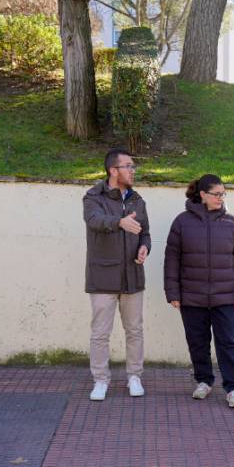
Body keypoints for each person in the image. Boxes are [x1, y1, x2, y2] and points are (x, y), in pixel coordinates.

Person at [163, 174, 234, 408]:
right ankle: (203, 381)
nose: (221, 198)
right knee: (197, 342)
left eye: (223, 194)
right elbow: (172, 259)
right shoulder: (182, 222)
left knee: (228, 343)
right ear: (203, 195)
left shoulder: (233, 222)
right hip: (192, 296)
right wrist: (173, 292)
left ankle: (232, 388)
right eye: (217, 194)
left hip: (226, 296)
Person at [83, 148, 151, 401]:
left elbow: (145, 233)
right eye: (128, 166)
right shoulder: (93, 197)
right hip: (103, 277)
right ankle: (100, 380)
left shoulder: (137, 200)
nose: (133, 171)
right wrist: (119, 222)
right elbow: (94, 220)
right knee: (100, 333)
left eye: (133, 166)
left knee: (135, 330)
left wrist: (144, 248)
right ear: (113, 170)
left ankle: (134, 376)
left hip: (133, 276)